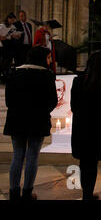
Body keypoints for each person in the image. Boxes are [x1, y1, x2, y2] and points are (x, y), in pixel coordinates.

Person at [3, 46, 57, 200]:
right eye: (48, 57)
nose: (50, 60)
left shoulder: (15, 72)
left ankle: (14, 192)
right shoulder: (46, 75)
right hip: (37, 120)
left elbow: (8, 100)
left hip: (16, 119)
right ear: (41, 58)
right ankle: (27, 192)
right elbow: (52, 101)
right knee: (33, 156)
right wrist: (41, 111)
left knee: (17, 155)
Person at [71, 51, 101, 200]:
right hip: (98, 129)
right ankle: (88, 194)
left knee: (84, 162)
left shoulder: (78, 81)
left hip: (81, 128)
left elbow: (73, 105)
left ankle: (86, 193)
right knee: (93, 163)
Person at [0, 13, 22, 81]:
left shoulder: (12, 26)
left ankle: (6, 76)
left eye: (13, 20)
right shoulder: (2, 25)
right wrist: (1, 37)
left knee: (8, 61)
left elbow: (12, 35)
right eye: (11, 20)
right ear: (8, 19)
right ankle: (2, 75)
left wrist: (17, 36)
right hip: (2, 44)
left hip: (9, 44)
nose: (12, 22)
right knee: (3, 61)